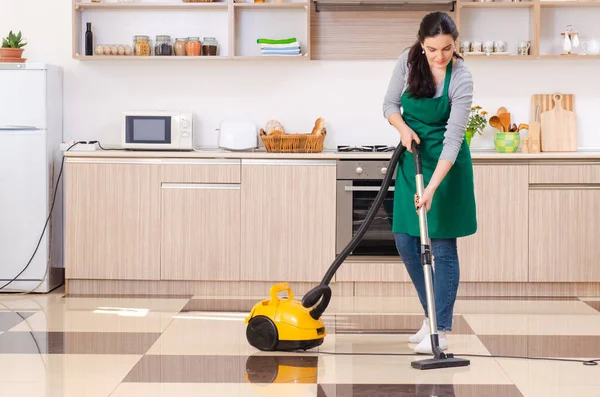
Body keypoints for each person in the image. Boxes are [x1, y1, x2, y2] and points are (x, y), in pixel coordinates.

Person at [382, 12, 477, 354]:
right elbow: (390, 105)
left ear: (456, 44)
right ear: (421, 44)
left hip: (446, 169)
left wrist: (433, 188)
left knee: (441, 247)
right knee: (406, 241)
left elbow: (453, 139)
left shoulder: (461, 77)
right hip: (413, 157)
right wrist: (403, 129)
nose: (440, 56)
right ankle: (431, 317)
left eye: (447, 49)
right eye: (433, 49)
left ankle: (442, 327)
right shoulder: (406, 63)